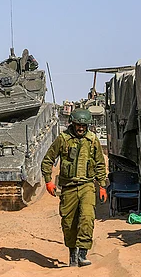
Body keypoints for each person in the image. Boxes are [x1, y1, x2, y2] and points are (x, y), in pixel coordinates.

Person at [41, 108, 107, 267]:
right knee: (68, 222)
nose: (81, 128)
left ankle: (83, 254)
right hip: (68, 187)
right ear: (73, 123)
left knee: (87, 218)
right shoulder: (63, 139)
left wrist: (102, 186)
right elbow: (47, 160)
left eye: (84, 126)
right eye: (78, 125)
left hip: (87, 185)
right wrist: (48, 181)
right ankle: (73, 254)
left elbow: (99, 164)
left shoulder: (92, 140)